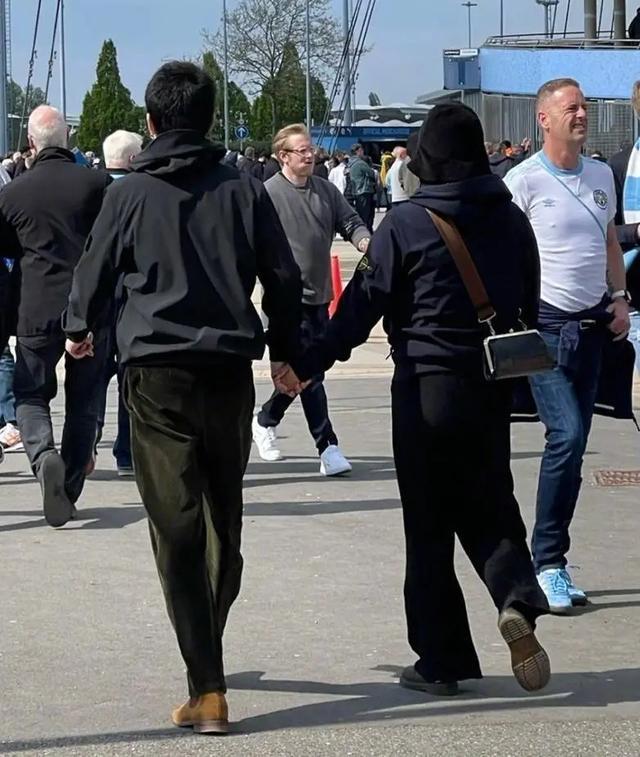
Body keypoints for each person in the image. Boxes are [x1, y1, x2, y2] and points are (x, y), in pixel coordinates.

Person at [278, 103, 551, 696]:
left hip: (425, 387)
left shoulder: (406, 223)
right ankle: (516, 597)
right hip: (490, 384)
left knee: (428, 524)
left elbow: (359, 309)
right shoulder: (511, 218)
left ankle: (440, 658)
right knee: (490, 498)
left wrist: (306, 362)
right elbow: (530, 297)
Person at [63, 61, 302, 734]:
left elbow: (94, 269)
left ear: (151, 122)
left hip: (156, 372)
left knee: (175, 525)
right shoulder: (242, 188)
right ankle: (208, 660)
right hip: (227, 369)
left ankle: (208, 683)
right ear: (209, 118)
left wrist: (78, 327)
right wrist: (286, 348)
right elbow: (283, 276)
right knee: (224, 519)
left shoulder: (131, 193)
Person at [504, 78, 630, 613]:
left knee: (574, 449)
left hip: (594, 328)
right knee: (567, 435)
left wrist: (620, 298)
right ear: (544, 120)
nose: (581, 115)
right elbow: (505, 254)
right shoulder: (522, 181)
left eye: (584, 107)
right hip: (545, 331)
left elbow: (609, 242)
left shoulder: (601, 175)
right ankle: (547, 562)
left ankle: (553, 559)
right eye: (570, 108)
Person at [0, 105, 111, 528]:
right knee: (85, 399)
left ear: (31, 142)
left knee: (30, 393)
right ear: (67, 139)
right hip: (91, 308)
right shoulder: (98, 184)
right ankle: (68, 487)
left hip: (35, 305)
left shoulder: (13, 194)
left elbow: (6, 254)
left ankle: (43, 453)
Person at [252, 123, 370, 474]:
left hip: (320, 297)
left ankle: (266, 419)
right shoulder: (267, 195)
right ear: (283, 156)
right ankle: (328, 447)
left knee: (304, 373)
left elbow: (350, 221)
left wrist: (364, 241)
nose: (310, 155)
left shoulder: (325, 190)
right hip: (285, 303)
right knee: (312, 375)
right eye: (301, 150)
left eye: (310, 149)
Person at [95, 129, 144, 476]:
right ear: (133, 159)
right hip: (132, 297)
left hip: (99, 297)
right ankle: (125, 452)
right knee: (130, 378)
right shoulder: (142, 192)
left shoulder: (91, 191)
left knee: (93, 378)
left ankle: (88, 441)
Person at [348, 143, 377, 232]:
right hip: (364, 191)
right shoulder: (360, 163)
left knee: (360, 213)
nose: (363, 152)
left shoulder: (350, 163)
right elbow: (371, 173)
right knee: (366, 215)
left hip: (356, 191)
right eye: (362, 150)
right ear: (358, 151)